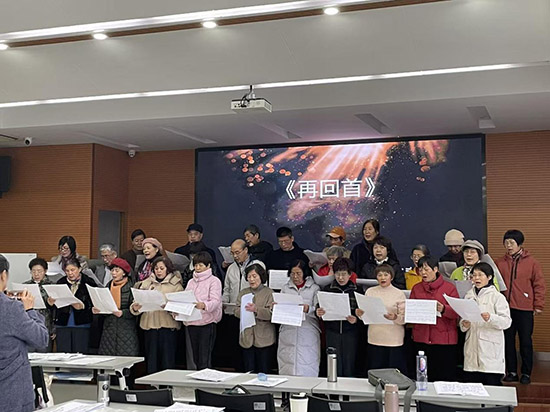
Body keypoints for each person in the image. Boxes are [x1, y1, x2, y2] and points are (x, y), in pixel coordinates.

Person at [0, 254, 49, 412]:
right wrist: (29, 310)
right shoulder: (11, 308)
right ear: (4, 275)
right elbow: (41, 339)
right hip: (10, 391)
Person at [497, 230, 546, 385]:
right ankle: (511, 371)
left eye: (511, 243)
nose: (508, 246)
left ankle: (526, 372)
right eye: (506, 243)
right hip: (505, 308)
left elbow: (539, 284)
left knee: (525, 341)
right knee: (508, 341)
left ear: (519, 244)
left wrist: (538, 304)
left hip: (525, 308)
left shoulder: (532, 262)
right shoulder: (499, 263)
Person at [460, 262, 511, 386]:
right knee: (472, 388)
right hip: (471, 350)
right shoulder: (468, 296)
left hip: (490, 351)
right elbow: (462, 323)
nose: (476, 278)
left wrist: (490, 318)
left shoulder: (497, 297)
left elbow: (506, 322)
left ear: (489, 277)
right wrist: (464, 324)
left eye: (480, 275)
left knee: (492, 387)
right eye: (474, 275)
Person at [410, 255, 459, 382]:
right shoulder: (416, 288)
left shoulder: (449, 288)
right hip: (421, 337)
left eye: (426, 269)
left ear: (436, 269)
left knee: (444, 377)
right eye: (420, 270)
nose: (423, 273)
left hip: (443, 340)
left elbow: (457, 313)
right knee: (422, 377)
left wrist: (443, 309)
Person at [130, 256, 183, 374]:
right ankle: (151, 384)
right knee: (151, 361)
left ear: (168, 269)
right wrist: (135, 307)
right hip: (149, 326)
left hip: (167, 327)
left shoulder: (176, 285)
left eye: (161, 268)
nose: (158, 271)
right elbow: (136, 301)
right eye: (156, 268)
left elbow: (181, 307)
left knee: (167, 361)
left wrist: (169, 307)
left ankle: (166, 384)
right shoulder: (146, 283)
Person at [356, 264, 406, 372]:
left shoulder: (399, 293)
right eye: (379, 275)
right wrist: (360, 314)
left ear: (391, 277)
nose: (383, 278)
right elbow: (365, 315)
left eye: (386, 275)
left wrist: (395, 317)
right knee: (375, 372)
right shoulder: (370, 291)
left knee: (392, 373)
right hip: (374, 337)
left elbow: (403, 319)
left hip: (393, 339)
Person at [316, 257, 358, 377]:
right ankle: (333, 387)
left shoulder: (357, 290)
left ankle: (348, 388)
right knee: (333, 363)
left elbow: (362, 313)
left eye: (344, 274)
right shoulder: (327, 289)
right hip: (332, 331)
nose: (340, 278)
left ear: (350, 274)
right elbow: (319, 307)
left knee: (349, 363)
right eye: (338, 274)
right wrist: (318, 312)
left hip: (350, 332)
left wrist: (356, 319)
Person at [278, 260, 321, 377]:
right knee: (286, 362)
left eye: (298, 273)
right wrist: (275, 307)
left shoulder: (314, 288)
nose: (295, 277)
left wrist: (309, 309)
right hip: (288, 330)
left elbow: (318, 310)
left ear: (305, 273)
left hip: (307, 330)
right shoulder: (285, 288)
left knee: (308, 361)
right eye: (292, 273)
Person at [184, 251, 222, 370]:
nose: (198, 268)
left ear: (208, 265)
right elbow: (184, 298)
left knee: (204, 358)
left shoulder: (214, 281)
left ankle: (205, 381)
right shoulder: (191, 282)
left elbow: (216, 301)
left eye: (201, 265)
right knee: (196, 357)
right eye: (195, 265)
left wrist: (204, 305)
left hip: (207, 322)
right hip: (192, 322)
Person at [93, 258, 139, 357]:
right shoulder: (108, 286)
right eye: (112, 270)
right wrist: (98, 310)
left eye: (117, 271)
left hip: (126, 329)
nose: (113, 273)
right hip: (109, 329)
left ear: (124, 273)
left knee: (126, 359)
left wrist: (123, 313)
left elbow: (136, 310)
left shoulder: (131, 287)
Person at [234, 263, 275, 373]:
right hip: (247, 338)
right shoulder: (243, 293)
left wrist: (256, 310)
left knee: (264, 371)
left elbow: (272, 314)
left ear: (261, 276)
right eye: (249, 277)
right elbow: (236, 310)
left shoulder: (269, 293)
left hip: (264, 338)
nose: (251, 279)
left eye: (254, 276)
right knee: (248, 371)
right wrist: (244, 311)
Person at [51, 258, 97, 353]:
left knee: (80, 353)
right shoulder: (61, 282)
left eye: (73, 270)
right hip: (63, 322)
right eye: (67, 271)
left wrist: (83, 306)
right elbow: (55, 305)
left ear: (79, 269)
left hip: (82, 323)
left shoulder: (89, 282)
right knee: (63, 354)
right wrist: (51, 303)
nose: (70, 273)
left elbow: (95, 301)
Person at [24, 258, 55, 352]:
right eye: (33, 271)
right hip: (29, 324)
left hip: (46, 324)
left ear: (45, 271)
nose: (36, 274)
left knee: (44, 354)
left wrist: (54, 329)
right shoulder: (25, 286)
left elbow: (57, 310)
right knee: (29, 354)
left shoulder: (52, 286)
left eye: (39, 271)